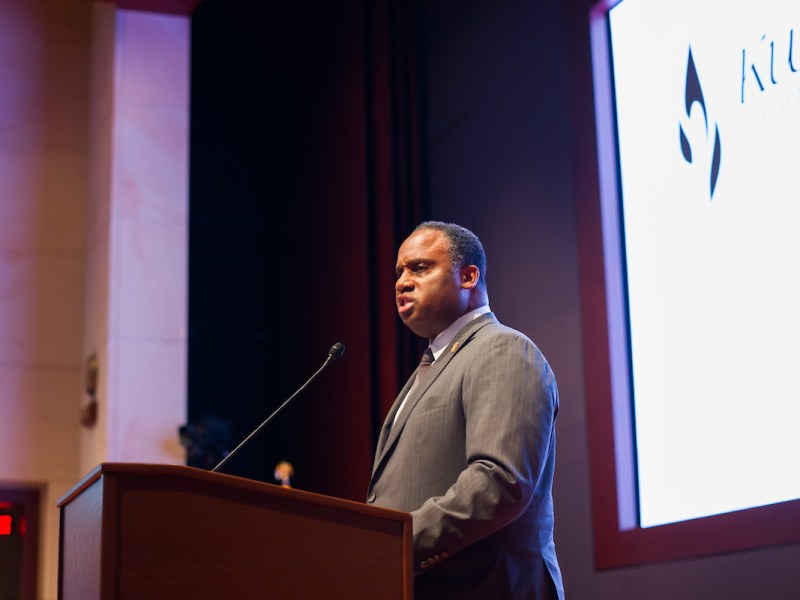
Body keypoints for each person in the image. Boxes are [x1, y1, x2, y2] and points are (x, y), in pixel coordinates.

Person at [367, 221, 564, 599]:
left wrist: (393, 544)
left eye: (420, 268)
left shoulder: (503, 349)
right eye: (399, 272)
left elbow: (500, 481)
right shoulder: (430, 367)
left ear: (469, 276)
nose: (402, 282)